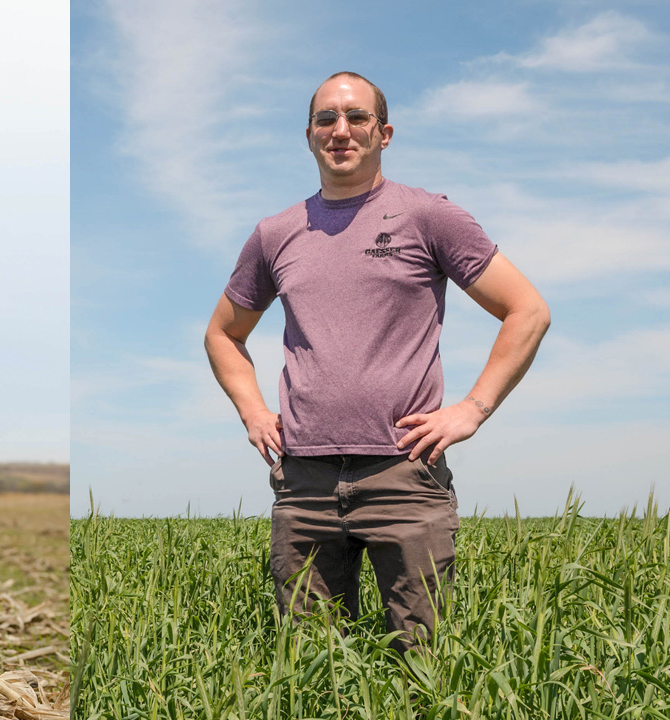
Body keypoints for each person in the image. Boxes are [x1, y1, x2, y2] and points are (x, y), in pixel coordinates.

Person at [203, 71, 550, 652]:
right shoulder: (275, 234)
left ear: (383, 133)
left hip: (403, 474)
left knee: (421, 660)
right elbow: (222, 334)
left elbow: (527, 311)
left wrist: (472, 409)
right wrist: (253, 413)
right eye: (326, 119)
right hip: (304, 481)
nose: (341, 131)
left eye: (356, 117)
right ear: (309, 135)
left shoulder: (428, 215)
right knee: (311, 665)